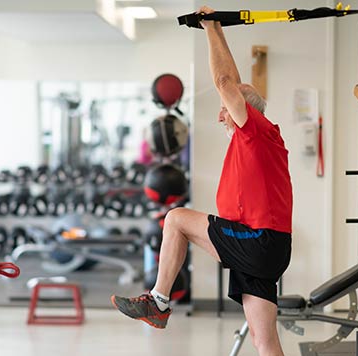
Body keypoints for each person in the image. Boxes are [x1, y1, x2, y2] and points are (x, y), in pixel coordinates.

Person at [111, 6, 293, 355]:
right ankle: (159, 303)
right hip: (266, 245)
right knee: (263, 340)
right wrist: (218, 29)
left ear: (245, 110)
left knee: (176, 219)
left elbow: (225, 81)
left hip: (259, 241)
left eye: (227, 107)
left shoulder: (254, 130)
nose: (221, 113)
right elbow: (230, 82)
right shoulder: (261, 138)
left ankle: (159, 302)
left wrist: (209, 27)